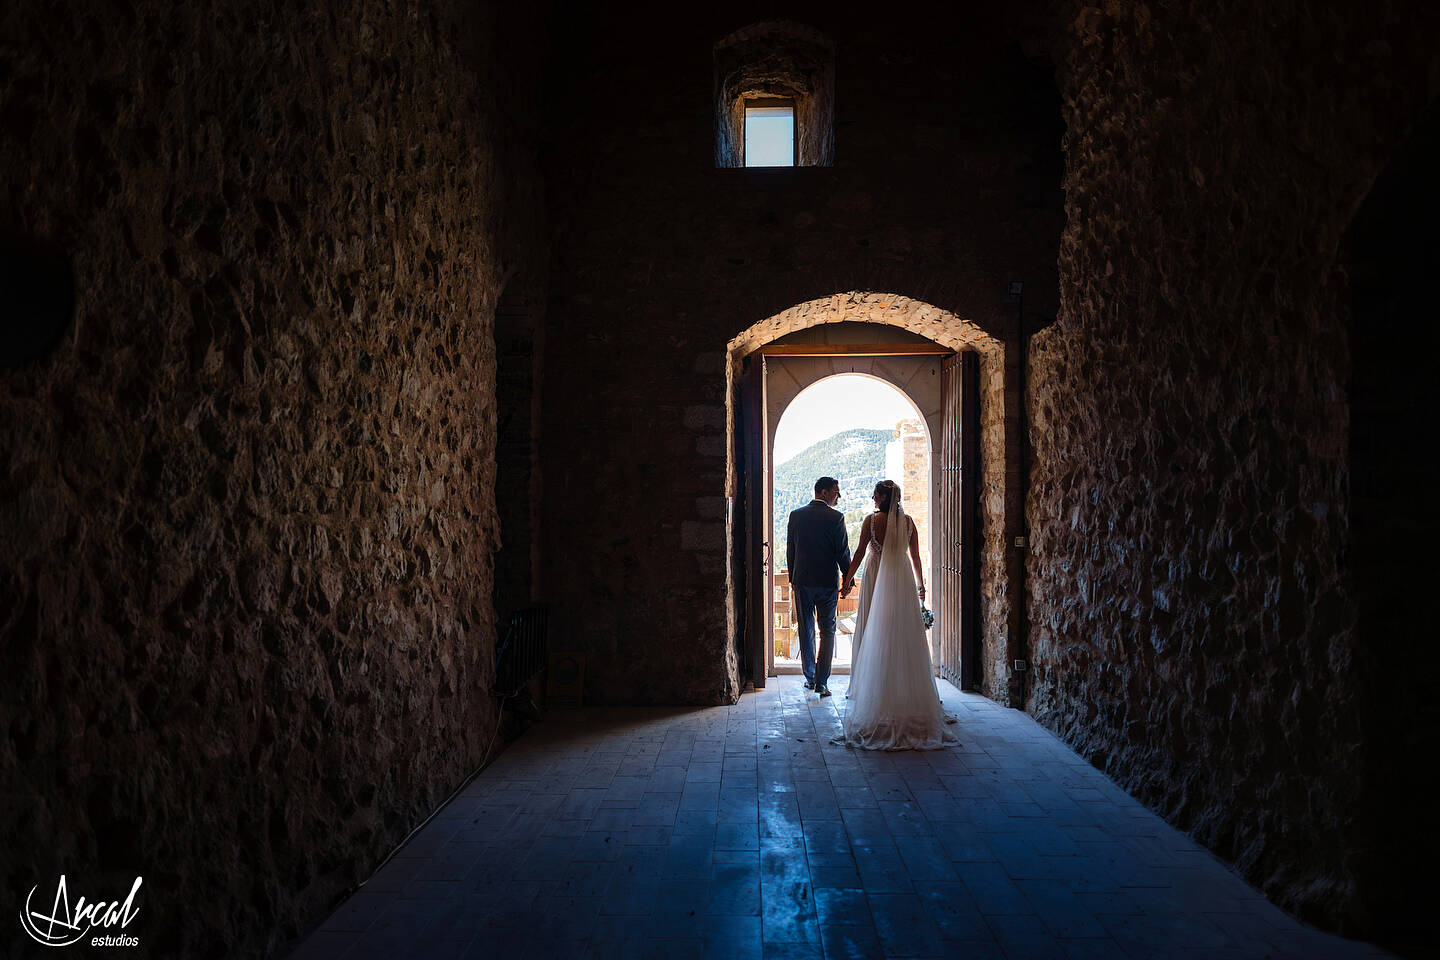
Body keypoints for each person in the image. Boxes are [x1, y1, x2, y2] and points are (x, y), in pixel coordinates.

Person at [837, 480, 957, 749]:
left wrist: (847, 580)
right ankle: (903, 688)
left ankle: (868, 687)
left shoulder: (870, 521)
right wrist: (920, 585)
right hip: (901, 579)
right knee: (901, 632)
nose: (872, 497)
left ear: (882, 497)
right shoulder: (909, 522)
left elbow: (858, 553)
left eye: (875, 494)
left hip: (876, 574)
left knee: (871, 628)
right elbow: (914, 557)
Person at [786, 476, 852, 698]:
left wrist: (793, 578)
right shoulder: (836, 518)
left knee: (805, 630)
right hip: (826, 582)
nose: (838, 496)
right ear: (823, 492)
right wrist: (848, 579)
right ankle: (822, 683)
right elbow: (842, 552)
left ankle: (810, 676)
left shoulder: (796, 516)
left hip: (802, 580)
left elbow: (791, 549)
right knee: (827, 631)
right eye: (836, 491)